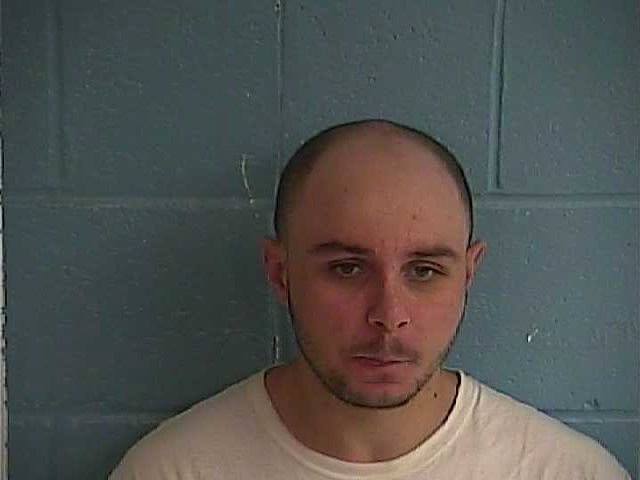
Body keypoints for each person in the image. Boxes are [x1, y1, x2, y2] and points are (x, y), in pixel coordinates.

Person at [110, 119, 630, 479]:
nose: (389, 316)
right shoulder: (172, 470)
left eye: (424, 271)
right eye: (347, 269)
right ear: (280, 273)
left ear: (468, 274)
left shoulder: (566, 471)